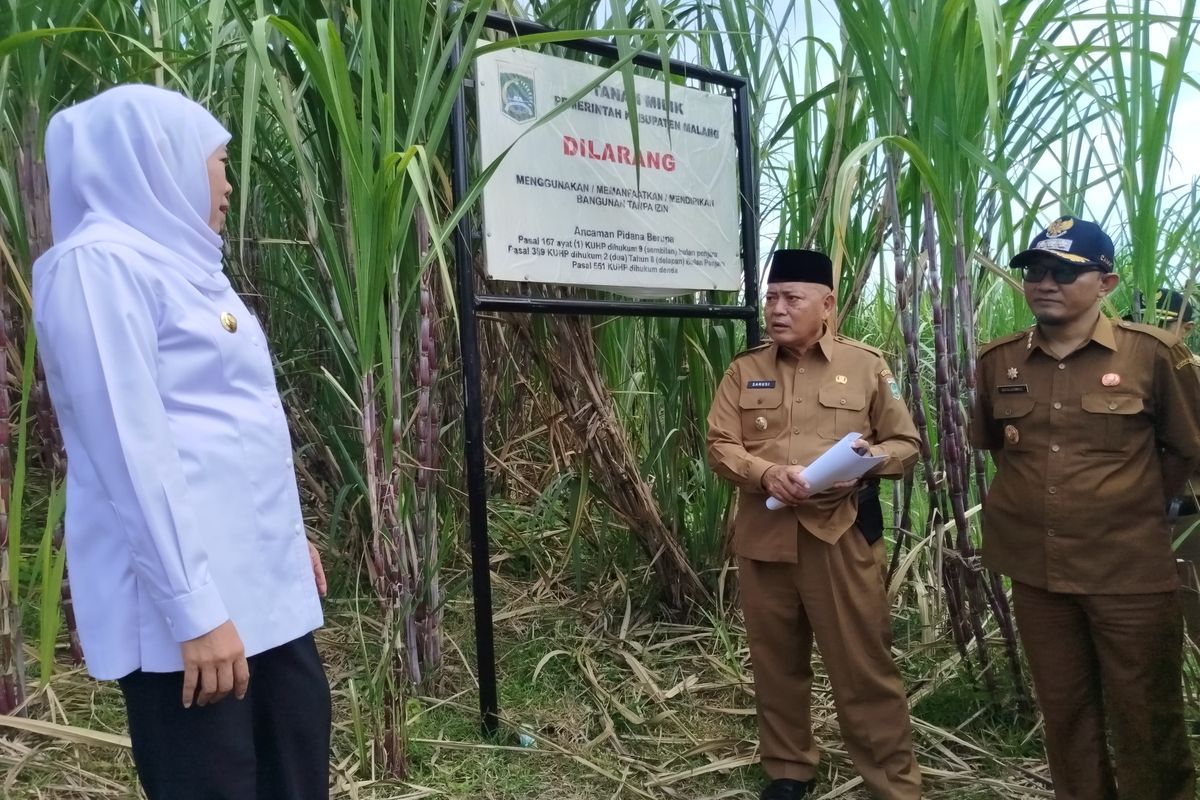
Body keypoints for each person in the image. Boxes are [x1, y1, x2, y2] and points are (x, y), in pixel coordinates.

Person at [32, 84, 330, 799]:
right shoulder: (97, 267)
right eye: (217, 162)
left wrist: (283, 540)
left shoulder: (191, 272)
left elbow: (224, 428)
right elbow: (133, 450)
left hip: (256, 592)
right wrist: (194, 612)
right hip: (190, 616)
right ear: (156, 161)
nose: (227, 183)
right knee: (215, 779)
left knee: (296, 757)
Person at [970, 216, 1200, 800]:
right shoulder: (999, 362)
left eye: (1065, 273)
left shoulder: (1154, 356)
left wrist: (1131, 504)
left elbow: (1186, 448)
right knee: (1066, 713)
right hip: (1037, 572)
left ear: (1107, 282)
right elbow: (1001, 448)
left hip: (1128, 572)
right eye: (1036, 272)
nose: (1045, 283)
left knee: (1147, 716)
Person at [707, 249, 922, 800]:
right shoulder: (745, 370)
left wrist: (864, 466)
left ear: (826, 304)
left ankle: (893, 783)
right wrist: (765, 472)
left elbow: (906, 444)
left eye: (791, 298)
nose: (776, 309)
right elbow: (719, 445)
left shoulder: (867, 366)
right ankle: (787, 769)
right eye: (771, 298)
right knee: (775, 663)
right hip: (765, 540)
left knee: (862, 668)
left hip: (840, 537)